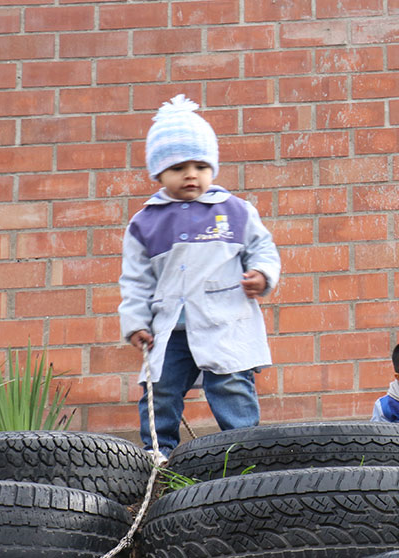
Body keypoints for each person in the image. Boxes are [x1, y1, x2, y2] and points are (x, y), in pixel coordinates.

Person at [119, 94, 280, 458]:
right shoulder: (146, 222)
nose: (191, 175)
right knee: (159, 389)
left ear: (213, 167)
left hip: (224, 321)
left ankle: (243, 453)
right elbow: (135, 279)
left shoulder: (235, 211)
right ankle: (157, 453)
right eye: (178, 168)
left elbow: (263, 248)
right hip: (170, 328)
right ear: (159, 173)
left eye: (200, 166)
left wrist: (262, 274)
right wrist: (135, 322)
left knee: (231, 385)